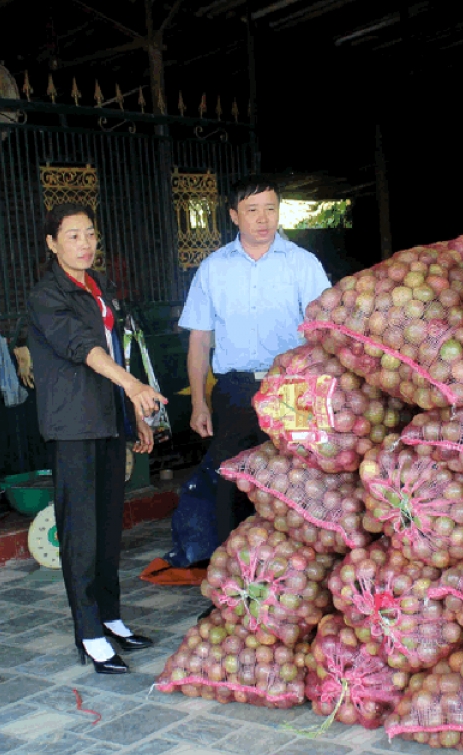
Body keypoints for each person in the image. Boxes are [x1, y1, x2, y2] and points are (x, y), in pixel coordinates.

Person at [27, 202, 166, 674]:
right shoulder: (48, 294)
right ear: (51, 243)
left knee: (108, 529)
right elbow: (82, 349)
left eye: (89, 234)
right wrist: (133, 386)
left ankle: (110, 616)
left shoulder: (99, 287)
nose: (85, 244)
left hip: (108, 421)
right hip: (73, 427)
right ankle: (87, 632)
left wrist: (134, 413)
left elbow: (115, 351)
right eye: (72, 236)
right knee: (80, 532)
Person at [178, 177, 331, 579]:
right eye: (252, 210)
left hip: (295, 388)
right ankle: (236, 580)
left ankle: (298, 579)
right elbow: (199, 341)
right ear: (233, 216)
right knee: (232, 483)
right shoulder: (213, 269)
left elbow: (325, 333)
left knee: (298, 482)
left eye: (270, 208)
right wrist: (198, 401)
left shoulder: (303, 263)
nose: (263, 219)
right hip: (235, 390)